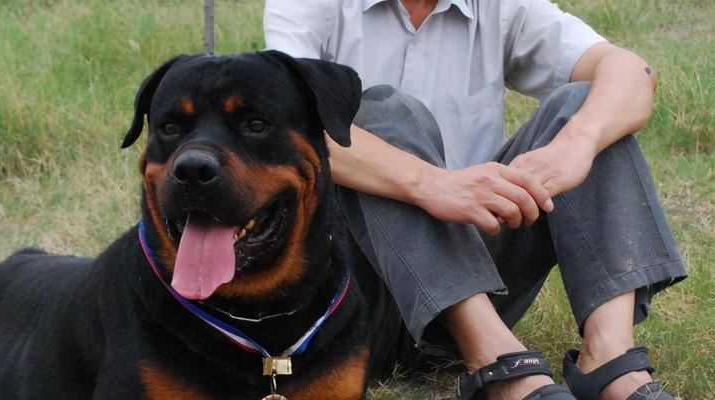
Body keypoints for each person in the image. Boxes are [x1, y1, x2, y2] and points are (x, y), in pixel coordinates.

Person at [263, 1, 687, 399]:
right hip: (350, 295)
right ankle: (495, 359)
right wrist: (431, 184)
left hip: (477, 288)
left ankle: (609, 357)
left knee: (590, 104)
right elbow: (289, 122)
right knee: (382, 109)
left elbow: (632, 71)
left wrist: (578, 143)